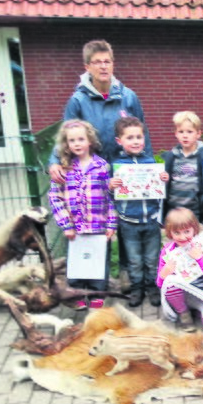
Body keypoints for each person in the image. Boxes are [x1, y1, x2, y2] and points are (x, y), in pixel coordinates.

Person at [48, 39, 152, 181]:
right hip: (93, 173)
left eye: (107, 62)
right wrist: (54, 161)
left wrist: (149, 165)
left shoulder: (128, 97)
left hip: (125, 172)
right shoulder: (78, 101)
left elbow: (143, 133)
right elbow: (66, 135)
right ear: (87, 67)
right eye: (97, 62)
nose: (103, 66)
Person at [48, 120, 116, 309]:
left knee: (99, 261)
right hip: (74, 228)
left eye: (80, 139)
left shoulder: (102, 167)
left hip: (98, 225)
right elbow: (55, 197)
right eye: (72, 140)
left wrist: (111, 224)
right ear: (66, 144)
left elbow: (110, 198)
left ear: (90, 141)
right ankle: (76, 293)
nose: (77, 143)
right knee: (76, 262)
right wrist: (66, 225)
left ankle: (97, 293)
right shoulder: (64, 169)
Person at [109, 117, 169, 308]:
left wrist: (163, 179)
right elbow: (111, 193)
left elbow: (157, 190)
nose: (135, 141)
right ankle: (137, 289)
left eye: (139, 137)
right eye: (130, 138)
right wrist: (111, 185)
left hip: (150, 221)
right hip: (128, 223)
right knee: (134, 261)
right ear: (120, 141)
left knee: (152, 259)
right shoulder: (117, 166)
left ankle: (152, 287)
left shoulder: (150, 162)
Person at [156, 208, 203, 330]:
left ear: (194, 229)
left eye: (187, 231)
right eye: (177, 233)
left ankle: (198, 310)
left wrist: (200, 258)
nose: (182, 237)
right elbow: (161, 284)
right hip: (183, 295)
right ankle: (184, 312)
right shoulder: (168, 251)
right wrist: (164, 273)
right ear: (169, 233)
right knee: (171, 281)